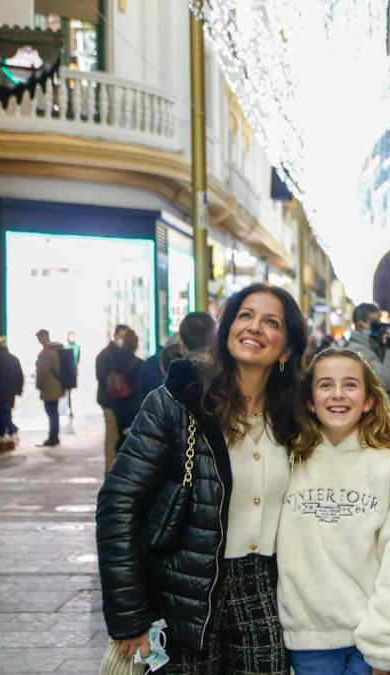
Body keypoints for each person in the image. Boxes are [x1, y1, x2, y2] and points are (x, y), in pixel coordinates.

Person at [97, 283, 307, 673]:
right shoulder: (176, 402)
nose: (255, 327)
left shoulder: (297, 416)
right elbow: (119, 502)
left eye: (271, 322)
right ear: (226, 329)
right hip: (185, 593)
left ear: (288, 348)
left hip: (265, 594)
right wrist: (128, 616)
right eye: (245, 315)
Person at [279, 348, 390, 675]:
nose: (338, 394)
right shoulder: (288, 458)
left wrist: (384, 642)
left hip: (369, 638)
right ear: (309, 400)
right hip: (308, 638)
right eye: (325, 385)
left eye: (350, 385)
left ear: (369, 400)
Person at [345, 302, 390, 411]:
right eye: (375, 324)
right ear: (360, 325)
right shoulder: (358, 350)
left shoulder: (370, 346)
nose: (380, 327)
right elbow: (386, 382)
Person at [95, 325, 130, 471]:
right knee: (112, 436)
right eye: (121, 336)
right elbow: (101, 377)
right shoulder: (105, 355)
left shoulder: (127, 354)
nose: (123, 340)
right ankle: (109, 469)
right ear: (115, 336)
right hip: (110, 402)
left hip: (124, 402)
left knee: (121, 437)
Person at [107, 329, 145, 453]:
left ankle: (118, 463)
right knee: (131, 437)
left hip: (117, 403)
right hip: (132, 405)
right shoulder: (138, 363)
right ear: (135, 344)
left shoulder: (114, 360)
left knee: (120, 435)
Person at [34, 329, 64, 447]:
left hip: (49, 387)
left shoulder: (45, 353)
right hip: (56, 386)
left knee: (51, 412)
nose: (38, 340)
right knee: (54, 413)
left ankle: (53, 437)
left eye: (39, 338)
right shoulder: (56, 349)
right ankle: (54, 436)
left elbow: (43, 372)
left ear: (43, 337)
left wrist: (39, 385)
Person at [65, 330, 81, 421]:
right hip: (68, 372)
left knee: (70, 391)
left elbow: (77, 359)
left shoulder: (77, 347)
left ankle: (70, 408)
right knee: (68, 392)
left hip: (73, 371)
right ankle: (69, 408)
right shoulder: (66, 347)